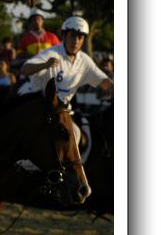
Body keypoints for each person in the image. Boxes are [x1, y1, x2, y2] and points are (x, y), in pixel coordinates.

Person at [18, 16, 113, 144]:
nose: (76, 41)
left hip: (60, 113)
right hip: (37, 106)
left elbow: (104, 81)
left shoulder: (85, 60)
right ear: (64, 36)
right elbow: (24, 69)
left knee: (77, 135)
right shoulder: (52, 53)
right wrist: (44, 65)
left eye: (80, 37)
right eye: (72, 36)